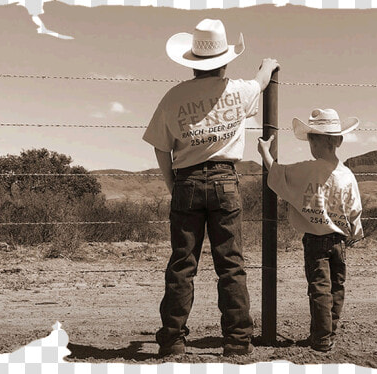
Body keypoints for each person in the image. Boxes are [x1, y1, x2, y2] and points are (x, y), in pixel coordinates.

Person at [142, 18, 279, 357]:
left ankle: (173, 340)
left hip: (187, 180)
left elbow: (160, 146)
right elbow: (261, 82)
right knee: (230, 264)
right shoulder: (239, 90)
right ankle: (237, 341)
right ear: (225, 59)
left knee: (182, 265)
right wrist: (268, 66)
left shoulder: (173, 97)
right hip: (225, 181)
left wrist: (174, 184)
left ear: (191, 61)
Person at [257, 108, 364, 352]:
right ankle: (329, 333)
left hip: (315, 241)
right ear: (338, 141)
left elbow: (278, 176)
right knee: (337, 288)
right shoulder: (347, 175)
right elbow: (355, 208)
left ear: (314, 142)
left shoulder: (306, 170)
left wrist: (265, 153)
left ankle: (321, 339)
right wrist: (355, 234)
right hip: (339, 241)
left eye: (310, 139)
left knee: (319, 290)